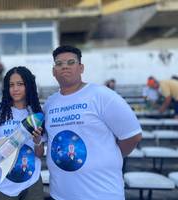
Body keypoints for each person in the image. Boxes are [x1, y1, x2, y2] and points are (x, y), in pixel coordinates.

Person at [43, 45, 142, 200]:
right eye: (59, 64)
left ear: (81, 68)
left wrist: (111, 156)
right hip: (60, 194)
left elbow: (132, 136)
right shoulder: (50, 103)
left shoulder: (102, 96)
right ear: (53, 71)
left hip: (100, 193)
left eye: (71, 62)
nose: (65, 67)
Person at [0, 66, 45, 200]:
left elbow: (39, 154)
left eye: (20, 84)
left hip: (31, 183)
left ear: (28, 86)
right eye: (11, 85)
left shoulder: (35, 114)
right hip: (2, 185)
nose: (15, 89)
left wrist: (37, 140)